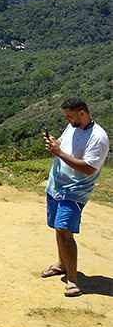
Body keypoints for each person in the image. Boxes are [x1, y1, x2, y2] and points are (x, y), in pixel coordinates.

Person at [41, 98, 109, 297]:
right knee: (57, 227)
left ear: (82, 112)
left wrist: (59, 152)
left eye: (70, 116)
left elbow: (88, 168)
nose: (68, 120)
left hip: (75, 190)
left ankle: (72, 280)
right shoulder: (72, 126)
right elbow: (64, 144)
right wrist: (55, 144)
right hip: (56, 185)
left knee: (64, 229)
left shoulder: (98, 137)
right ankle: (62, 264)